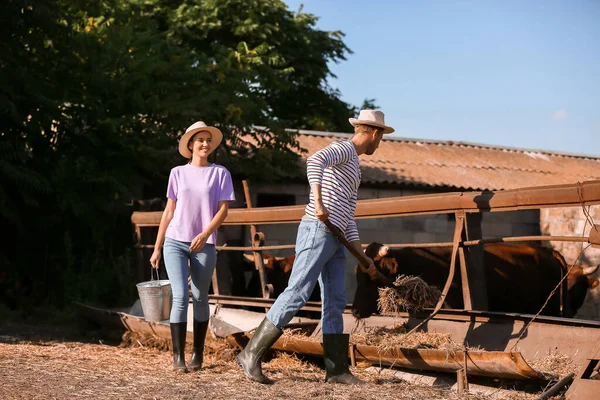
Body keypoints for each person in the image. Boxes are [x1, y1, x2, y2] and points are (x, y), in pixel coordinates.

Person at [236, 110, 394, 384]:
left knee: (334, 301)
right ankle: (251, 353)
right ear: (375, 133)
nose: (379, 145)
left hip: (336, 237)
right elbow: (314, 161)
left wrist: (363, 258)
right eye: (380, 139)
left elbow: (348, 218)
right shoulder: (343, 149)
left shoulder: (355, 167)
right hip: (318, 230)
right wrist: (318, 202)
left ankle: (336, 370)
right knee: (297, 291)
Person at [150, 121, 235, 372]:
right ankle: (178, 358)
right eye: (200, 140)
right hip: (175, 240)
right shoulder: (177, 173)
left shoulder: (220, 173)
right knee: (179, 296)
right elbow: (169, 212)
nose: (205, 144)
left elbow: (223, 211)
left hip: (205, 242)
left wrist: (205, 233)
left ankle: (198, 354)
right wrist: (157, 247)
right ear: (190, 145)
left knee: (199, 296)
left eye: (208, 140)